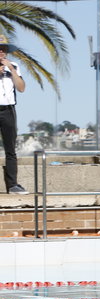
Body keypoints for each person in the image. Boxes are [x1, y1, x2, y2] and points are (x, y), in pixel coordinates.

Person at [0, 41, 26, 194]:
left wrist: (11, 69)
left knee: (11, 149)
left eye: (3, 50)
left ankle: (12, 184)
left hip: (8, 109)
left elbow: (21, 88)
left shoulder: (14, 66)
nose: (1, 53)